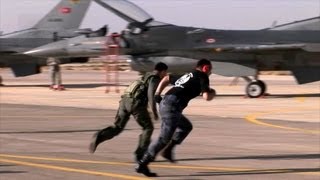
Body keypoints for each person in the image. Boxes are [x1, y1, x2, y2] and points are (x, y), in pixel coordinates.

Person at [136, 59, 216, 177]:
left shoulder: (188, 75)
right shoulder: (202, 76)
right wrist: (213, 92)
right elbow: (206, 97)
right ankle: (143, 164)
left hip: (168, 103)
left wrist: (157, 94)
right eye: (210, 69)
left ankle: (168, 151)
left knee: (185, 127)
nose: (211, 72)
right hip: (172, 106)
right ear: (205, 68)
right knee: (163, 138)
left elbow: (167, 78)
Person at [89, 62, 168, 162]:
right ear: (162, 71)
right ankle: (140, 155)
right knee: (148, 128)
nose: (165, 75)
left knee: (117, 127)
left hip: (124, 101)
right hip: (135, 104)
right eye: (165, 73)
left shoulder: (145, 76)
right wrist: (155, 112)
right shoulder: (154, 79)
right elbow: (150, 96)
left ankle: (99, 136)